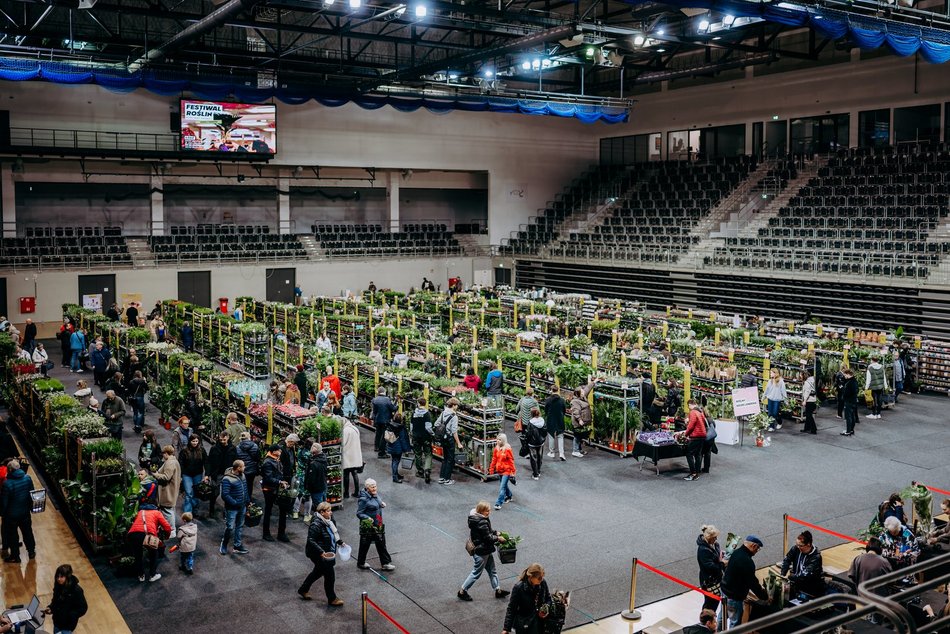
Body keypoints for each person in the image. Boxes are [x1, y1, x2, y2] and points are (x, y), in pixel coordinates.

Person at [458, 501, 510, 601]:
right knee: (476, 573)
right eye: (487, 510)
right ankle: (462, 591)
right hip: (482, 551)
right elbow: (488, 538)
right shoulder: (481, 521)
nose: (489, 512)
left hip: (484, 550)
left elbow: (486, 531)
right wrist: (498, 538)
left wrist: (495, 532)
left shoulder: (476, 518)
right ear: (481, 511)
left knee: (492, 571)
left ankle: (498, 590)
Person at [299, 502, 345, 605]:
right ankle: (332, 598)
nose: (331, 513)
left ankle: (303, 589)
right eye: (328, 511)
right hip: (318, 554)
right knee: (330, 576)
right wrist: (321, 552)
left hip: (326, 552)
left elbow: (333, 534)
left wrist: (340, 542)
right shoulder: (316, 524)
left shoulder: (329, 521)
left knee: (317, 572)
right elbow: (311, 540)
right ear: (322, 512)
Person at [721, 536, 768, 629]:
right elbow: (752, 582)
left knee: (722, 617)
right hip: (734, 596)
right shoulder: (747, 561)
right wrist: (764, 596)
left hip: (725, 590)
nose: (756, 551)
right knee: (735, 622)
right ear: (754, 546)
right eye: (757, 549)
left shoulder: (736, 552)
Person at [127, 500, 170, 582]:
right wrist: (167, 536)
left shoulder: (140, 512)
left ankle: (141, 575)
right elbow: (167, 527)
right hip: (148, 534)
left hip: (133, 534)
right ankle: (152, 575)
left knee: (138, 555)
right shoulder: (157, 512)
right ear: (155, 506)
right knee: (154, 553)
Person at [1, 459, 36, 562]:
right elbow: (32, 494)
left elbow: (4, 503)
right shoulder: (27, 478)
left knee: (13, 536)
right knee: (28, 532)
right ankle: (31, 551)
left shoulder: (7, 484)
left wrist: (2, 513)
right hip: (25, 513)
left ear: (10, 470)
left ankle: (15, 556)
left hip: (11, 516)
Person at [356, 479, 395, 571]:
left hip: (378, 523)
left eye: (375, 486)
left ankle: (385, 563)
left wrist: (381, 504)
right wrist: (367, 518)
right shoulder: (363, 499)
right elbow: (359, 513)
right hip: (368, 525)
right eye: (372, 487)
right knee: (365, 544)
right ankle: (361, 562)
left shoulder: (375, 494)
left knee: (381, 543)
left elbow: (377, 502)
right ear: (367, 488)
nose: (374, 488)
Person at [502, 563, 552, 634]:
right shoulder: (519, 588)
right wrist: (506, 628)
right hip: (524, 625)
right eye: (539, 578)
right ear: (531, 577)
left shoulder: (543, 583)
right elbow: (511, 608)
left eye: (542, 577)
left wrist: (546, 608)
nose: (541, 580)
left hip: (539, 623)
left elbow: (548, 599)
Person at [780, 530, 825, 599]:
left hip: (811, 588)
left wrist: (791, 577)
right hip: (797, 583)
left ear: (808, 544)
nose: (798, 547)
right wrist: (783, 573)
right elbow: (787, 560)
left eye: (800, 545)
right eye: (797, 545)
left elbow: (805, 575)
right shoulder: (796, 549)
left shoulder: (816, 557)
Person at [45, 563, 88, 634]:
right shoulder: (58, 586)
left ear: (67, 577)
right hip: (57, 622)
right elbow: (55, 601)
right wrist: (51, 608)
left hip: (67, 626)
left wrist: (71, 615)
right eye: (57, 576)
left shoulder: (77, 590)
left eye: (61, 576)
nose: (58, 579)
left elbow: (83, 608)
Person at [220, 459, 250, 556]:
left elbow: (245, 489)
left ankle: (237, 546)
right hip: (232, 508)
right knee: (230, 527)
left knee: (239, 526)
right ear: (238, 468)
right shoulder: (227, 479)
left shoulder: (243, 475)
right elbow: (224, 495)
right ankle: (224, 545)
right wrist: (235, 502)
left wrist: (247, 501)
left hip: (242, 506)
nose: (245, 468)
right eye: (243, 466)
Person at [261, 444, 287, 543]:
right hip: (269, 489)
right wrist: (280, 482)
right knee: (268, 510)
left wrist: (282, 481)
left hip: (277, 488)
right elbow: (268, 478)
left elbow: (279, 473)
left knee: (283, 509)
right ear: (273, 451)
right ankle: (266, 533)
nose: (280, 451)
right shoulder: (267, 462)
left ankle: (281, 533)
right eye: (278, 450)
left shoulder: (276, 459)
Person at [206, 432, 236, 519]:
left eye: (224, 439)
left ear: (228, 438)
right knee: (214, 493)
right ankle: (211, 510)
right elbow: (209, 461)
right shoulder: (214, 448)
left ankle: (226, 512)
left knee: (227, 494)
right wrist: (207, 474)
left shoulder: (232, 448)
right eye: (221, 440)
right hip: (217, 473)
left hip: (228, 474)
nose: (222, 441)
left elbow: (235, 461)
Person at [153, 446, 182, 535]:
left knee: (168, 511)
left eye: (163, 454)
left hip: (168, 491)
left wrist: (156, 475)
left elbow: (166, 477)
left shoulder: (170, 463)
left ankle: (172, 531)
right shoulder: (174, 461)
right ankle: (170, 530)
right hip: (171, 490)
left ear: (166, 453)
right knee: (169, 511)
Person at [696, 524, 725, 613]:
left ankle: (709, 620)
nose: (716, 539)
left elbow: (716, 555)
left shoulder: (714, 544)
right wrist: (722, 563)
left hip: (716, 579)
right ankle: (706, 620)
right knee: (710, 604)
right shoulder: (703, 550)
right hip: (709, 582)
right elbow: (711, 567)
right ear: (709, 537)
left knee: (714, 602)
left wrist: (721, 555)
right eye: (714, 537)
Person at [178, 435, 207, 516]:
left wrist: (207, 474)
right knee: (188, 493)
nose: (195, 443)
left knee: (196, 493)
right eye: (193, 441)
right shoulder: (184, 451)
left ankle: (195, 508)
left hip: (198, 474)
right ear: (190, 441)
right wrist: (180, 475)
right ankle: (187, 512)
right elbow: (180, 463)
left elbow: (206, 462)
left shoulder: (202, 450)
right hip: (187, 475)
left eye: (196, 441)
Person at [438, 397, 463, 485]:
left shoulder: (443, 413)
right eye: (456, 405)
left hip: (443, 438)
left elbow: (436, 424)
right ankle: (447, 479)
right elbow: (454, 432)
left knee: (445, 458)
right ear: (453, 405)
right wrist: (459, 443)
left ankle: (441, 477)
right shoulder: (454, 416)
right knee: (450, 459)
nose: (457, 407)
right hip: (449, 439)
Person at [681, 400, 707, 481]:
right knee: (698, 454)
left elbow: (691, 426)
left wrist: (685, 435)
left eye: (688, 406)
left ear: (690, 405)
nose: (688, 408)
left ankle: (693, 474)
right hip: (702, 435)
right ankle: (697, 473)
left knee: (689, 453)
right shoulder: (700, 412)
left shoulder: (693, 412)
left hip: (696, 435)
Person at [569, 379, 596, 457]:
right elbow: (576, 412)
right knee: (577, 436)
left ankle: (579, 450)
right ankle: (575, 451)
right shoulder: (575, 401)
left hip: (583, 421)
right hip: (578, 422)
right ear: (578, 394)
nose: (584, 392)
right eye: (582, 392)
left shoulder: (583, 397)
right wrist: (580, 420)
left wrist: (594, 382)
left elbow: (587, 388)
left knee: (580, 436)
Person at [410, 398, 434, 484]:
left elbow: (411, 426)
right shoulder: (427, 414)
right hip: (425, 437)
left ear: (418, 403)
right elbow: (428, 427)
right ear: (425, 404)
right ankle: (427, 470)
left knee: (418, 454)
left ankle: (420, 471)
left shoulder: (414, 413)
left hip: (416, 436)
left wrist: (412, 434)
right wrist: (432, 434)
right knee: (428, 454)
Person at [490, 434, 516, 510]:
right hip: (499, 470)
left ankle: (498, 503)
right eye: (497, 439)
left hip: (506, 471)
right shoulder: (496, 449)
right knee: (504, 485)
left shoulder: (507, 449)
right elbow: (494, 459)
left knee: (502, 487)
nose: (497, 441)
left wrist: (513, 472)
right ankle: (509, 495)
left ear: (503, 440)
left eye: (499, 439)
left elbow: (511, 461)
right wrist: (491, 468)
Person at [371, 387, 397, 459]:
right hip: (385, 420)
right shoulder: (387, 400)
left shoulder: (375, 400)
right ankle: (381, 452)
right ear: (384, 392)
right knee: (384, 436)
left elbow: (374, 411)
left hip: (377, 420)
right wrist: (397, 405)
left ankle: (376, 447)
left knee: (378, 433)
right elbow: (393, 408)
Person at [235, 432, 260, 503]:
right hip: (251, 470)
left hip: (241, 470)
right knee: (249, 484)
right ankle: (248, 500)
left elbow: (236, 459)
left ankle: (241, 499)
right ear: (249, 438)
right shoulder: (255, 446)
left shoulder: (237, 447)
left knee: (241, 484)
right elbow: (258, 458)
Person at [386, 413, 411, 484]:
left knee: (394, 460)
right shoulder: (400, 428)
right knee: (396, 461)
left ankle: (396, 474)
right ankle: (395, 477)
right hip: (398, 447)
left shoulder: (390, 425)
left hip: (391, 445)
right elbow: (403, 439)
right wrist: (406, 450)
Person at [342, 416, 363, 498]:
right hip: (355, 454)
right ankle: (357, 492)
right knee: (354, 473)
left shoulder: (345, 430)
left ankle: (346, 493)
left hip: (347, 455)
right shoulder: (355, 429)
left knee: (346, 474)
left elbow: (343, 443)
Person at [543, 389, 567, 461]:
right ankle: (561, 453)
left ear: (551, 390)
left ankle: (552, 452)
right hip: (559, 419)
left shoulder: (548, 400)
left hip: (551, 419)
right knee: (560, 436)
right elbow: (564, 410)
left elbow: (546, 410)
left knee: (551, 436)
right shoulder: (562, 400)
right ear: (558, 390)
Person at [305, 443, 329, 509]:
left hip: (316, 489)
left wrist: (307, 487)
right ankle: (329, 518)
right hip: (323, 486)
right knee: (325, 507)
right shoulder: (323, 459)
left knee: (319, 508)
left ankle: (324, 518)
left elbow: (311, 478)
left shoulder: (314, 463)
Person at [525, 407, 546, 480]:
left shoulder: (531, 422)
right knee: (539, 457)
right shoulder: (542, 421)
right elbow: (545, 432)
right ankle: (539, 471)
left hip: (532, 443)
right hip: (541, 442)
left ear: (531, 414)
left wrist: (526, 441)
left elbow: (528, 434)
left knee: (533, 458)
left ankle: (535, 474)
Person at [840, 367, 859, 436]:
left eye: (845, 375)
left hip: (848, 401)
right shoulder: (855, 381)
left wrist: (843, 390)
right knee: (852, 415)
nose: (844, 376)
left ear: (848, 374)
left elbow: (846, 393)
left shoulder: (849, 383)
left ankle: (848, 431)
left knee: (848, 416)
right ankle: (851, 430)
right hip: (854, 400)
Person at [801, 369, 817, 434]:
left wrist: (804, 401)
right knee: (808, 415)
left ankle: (813, 429)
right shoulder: (811, 381)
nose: (800, 376)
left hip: (809, 400)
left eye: (801, 375)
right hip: (812, 399)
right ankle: (807, 428)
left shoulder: (807, 383)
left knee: (809, 415)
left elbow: (807, 392)